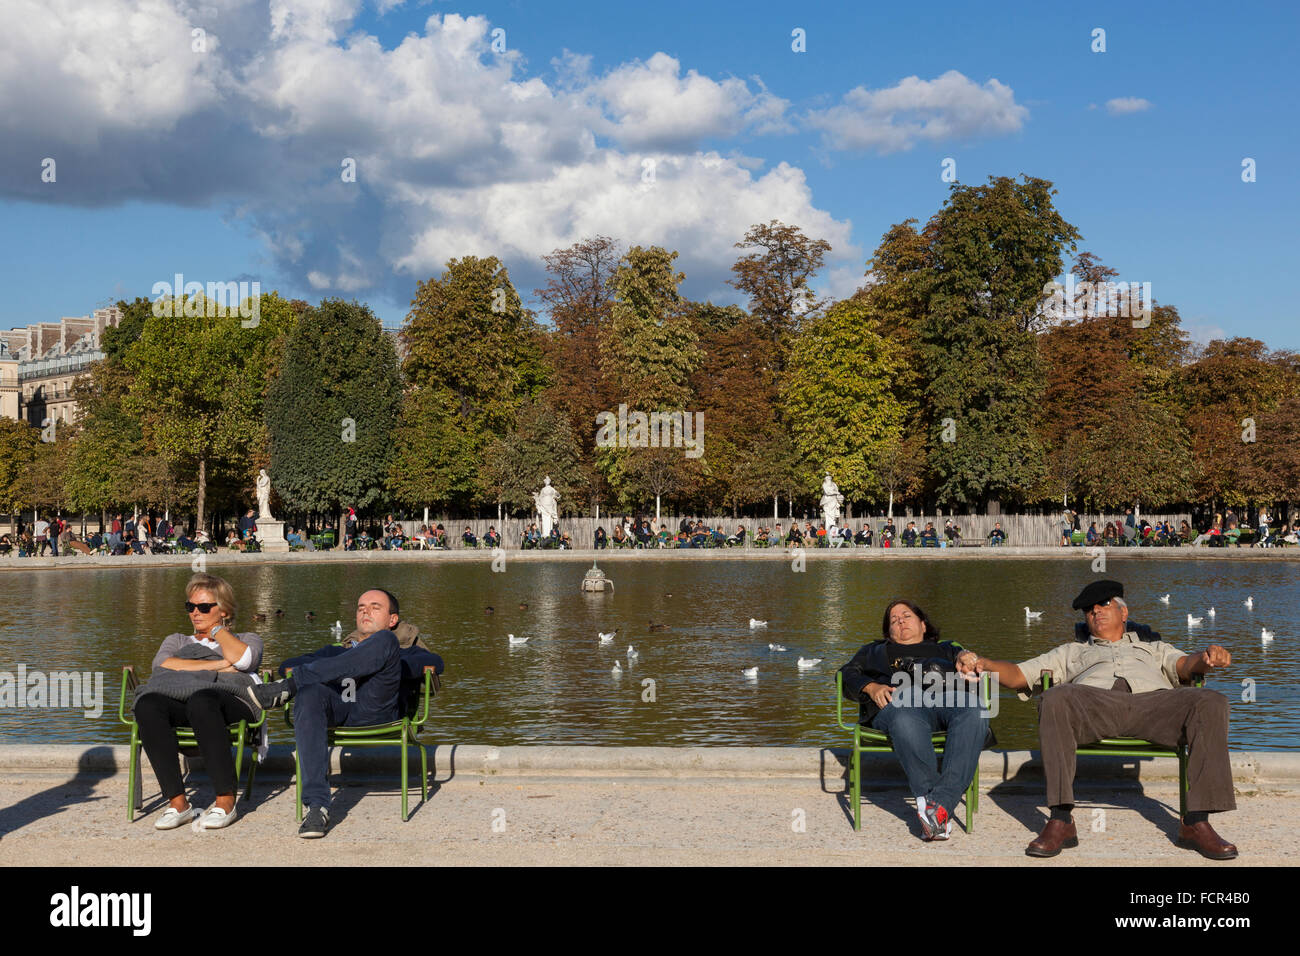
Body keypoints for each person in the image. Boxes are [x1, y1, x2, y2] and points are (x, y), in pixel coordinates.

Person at [968, 580, 1237, 860]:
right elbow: (1019, 675)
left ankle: (1195, 823)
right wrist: (987, 665)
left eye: (1103, 605)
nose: (1095, 612)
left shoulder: (1154, 647)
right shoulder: (1071, 651)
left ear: (1124, 612)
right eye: (1089, 610)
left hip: (1154, 705)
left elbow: (1184, 665)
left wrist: (1206, 659)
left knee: (1211, 701)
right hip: (1095, 706)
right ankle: (1061, 819)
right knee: (1055, 697)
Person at [251, 588, 442, 838]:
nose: (366, 611)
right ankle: (317, 807)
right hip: (338, 708)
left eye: (375, 607)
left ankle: (288, 687)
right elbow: (287, 664)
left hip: (378, 710)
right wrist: (346, 661)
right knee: (309, 695)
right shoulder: (335, 651)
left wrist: (386, 662)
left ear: (393, 619)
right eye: (361, 607)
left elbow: (436, 663)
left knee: (385, 641)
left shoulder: (404, 650)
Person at [839, 600, 990, 841]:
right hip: (897, 704)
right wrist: (870, 686)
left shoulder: (947, 649)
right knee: (907, 704)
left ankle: (937, 804)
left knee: (975, 708)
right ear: (888, 632)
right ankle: (935, 809)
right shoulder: (873, 651)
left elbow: (970, 664)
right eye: (893, 620)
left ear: (923, 624)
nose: (899, 621)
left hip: (945, 702)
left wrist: (966, 658)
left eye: (906, 615)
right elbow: (846, 674)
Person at [132, 573, 264, 830]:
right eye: (190, 607)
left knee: (202, 700)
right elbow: (161, 666)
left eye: (204, 607)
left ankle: (225, 801)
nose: (195, 613)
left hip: (232, 701)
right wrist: (218, 667)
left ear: (223, 610)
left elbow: (245, 661)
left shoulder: (248, 638)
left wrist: (217, 631)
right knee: (147, 704)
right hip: (185, 698)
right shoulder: (178, 640)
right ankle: (178, 804)